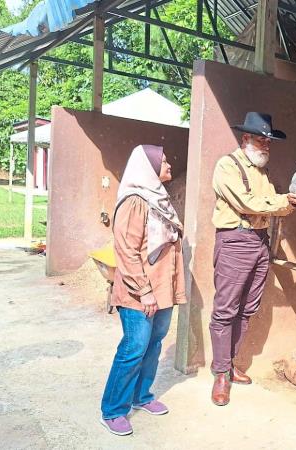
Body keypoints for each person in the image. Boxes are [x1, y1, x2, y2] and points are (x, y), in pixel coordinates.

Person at [209, 112, 296, 406]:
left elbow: (271, 207)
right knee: (225, 309)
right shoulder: (227, 166)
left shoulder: (262, 173)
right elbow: (248, 204)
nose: (266, 145)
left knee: (247, 309)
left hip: (259, 242)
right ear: (245, 139)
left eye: (268, 141)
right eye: (260, 139)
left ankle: (229, 364)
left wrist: (292, 202)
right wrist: (286, 202)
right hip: (235, 240)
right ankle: (220, 373)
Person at [100, 145, 186, 436]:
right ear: (148, 168)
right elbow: (125, 249)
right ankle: (113, 409)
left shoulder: (157, 199)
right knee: (134, 347)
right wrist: (144, 290)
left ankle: (141, 396)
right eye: (163, 160)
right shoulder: (134, 201)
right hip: (141, 290)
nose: (169, 163)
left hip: (163, 286)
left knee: (154, 343)